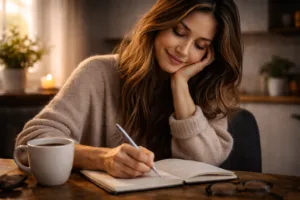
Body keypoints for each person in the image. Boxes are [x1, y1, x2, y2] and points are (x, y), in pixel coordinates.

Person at [16, 0, 242, 178]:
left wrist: (180, 87)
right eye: (179, 32)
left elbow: (205, 165)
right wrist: (102, 158)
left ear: (209, 54)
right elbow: (30, 144)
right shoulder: (98, 73)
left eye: (200, 45)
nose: (183, 50)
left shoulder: (207, 90)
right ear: (159, 24)